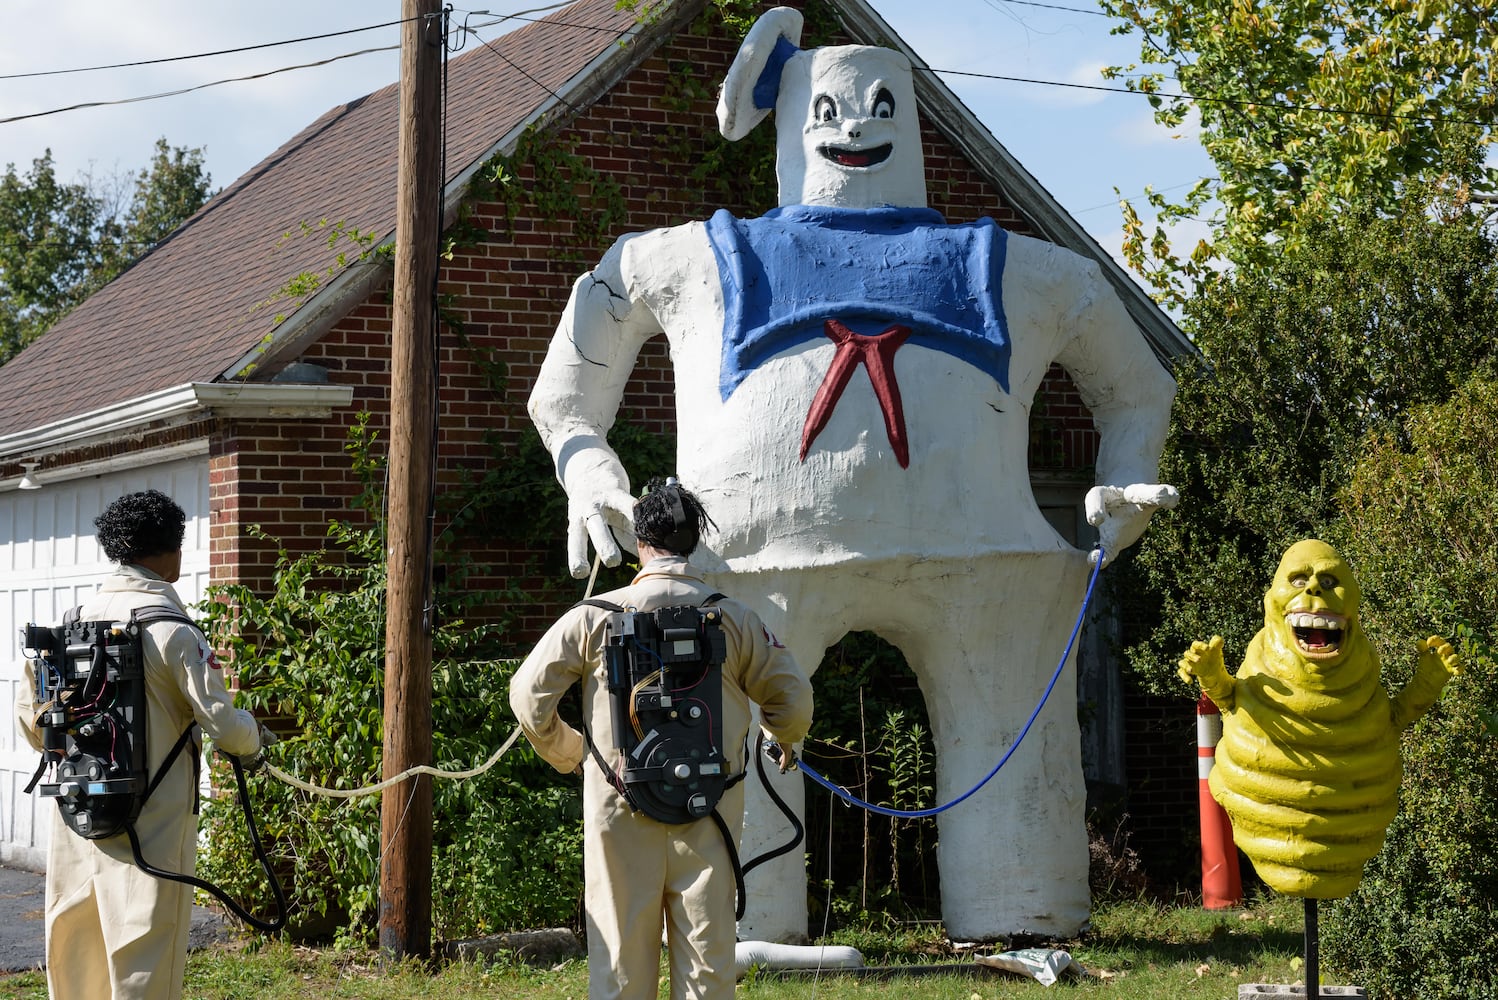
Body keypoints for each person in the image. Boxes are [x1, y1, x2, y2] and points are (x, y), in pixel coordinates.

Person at [510, 477, 814, 1000]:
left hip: (619, 808)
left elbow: (527, 697)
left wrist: (573, 753)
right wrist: (781, 736)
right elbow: (795, 702)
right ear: (693, 540)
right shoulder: (737, 618)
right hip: (709, 810)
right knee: (707, 964)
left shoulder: (595, 616)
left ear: (640, 543)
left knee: (621, 961)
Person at [16, 489, 265, 1000]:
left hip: (80, 810)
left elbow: (30, 718)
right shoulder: (174, 631)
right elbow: (220, 720)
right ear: (171, 551)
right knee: (145, 944)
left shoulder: (68, 626)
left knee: (76, 933)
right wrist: (255, 741)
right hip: (154, 818)